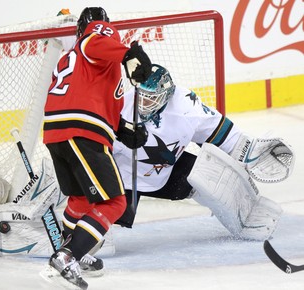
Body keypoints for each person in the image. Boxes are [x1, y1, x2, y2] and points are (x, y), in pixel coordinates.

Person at [111, 64, 295, 242]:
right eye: (140, 96)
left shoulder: (185, 106)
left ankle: (246, 220)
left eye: (150, 98)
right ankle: (92, 233)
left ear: (166, 95)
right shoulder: (118, 107)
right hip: (120, 177)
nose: (143, 103)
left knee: (210, 176)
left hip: (163, 174)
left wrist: (250, 152)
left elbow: (223, 135)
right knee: (102, 229)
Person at [43, 7, 151, 289]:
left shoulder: (79, 60)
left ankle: (76, 248)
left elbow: (104, 104)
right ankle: (68, 257)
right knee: (115, 202)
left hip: (57, 131)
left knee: (80, 200)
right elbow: (97, 37)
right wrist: (129, 54)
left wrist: (124, 130)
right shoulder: (97, 37)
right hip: (82, 130)